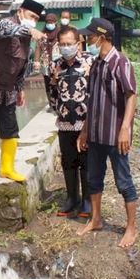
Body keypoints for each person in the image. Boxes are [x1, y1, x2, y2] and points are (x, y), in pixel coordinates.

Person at [75, 18, 139, 248]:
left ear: (101, 37)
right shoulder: (97, 64)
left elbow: (131, 95)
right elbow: (92, 100)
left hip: (115, 135)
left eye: (90, 36)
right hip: (96, 133)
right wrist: (84, 130)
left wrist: (124, 129)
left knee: (124, 181)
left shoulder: (120, 62)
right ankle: (96, 219)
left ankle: (131, 228)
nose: (87, 39)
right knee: (94, 178)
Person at [0, 0, 45, 185]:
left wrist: (20, 89)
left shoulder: (28, 39)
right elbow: (9, 30)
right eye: (31, 16)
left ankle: (7, 169)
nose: (33, 21)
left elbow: (22, 66)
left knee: (11, 131)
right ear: (20, 12)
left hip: (9, 90)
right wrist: (30, 30)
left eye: (36, 19)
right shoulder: (5, 24)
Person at [48, 26, 94, 218]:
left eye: (70, 44)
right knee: (68, 162)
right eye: (63, 44)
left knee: (86, 162)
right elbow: (51, 94)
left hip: (85, 123)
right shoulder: (55, 66)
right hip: (65, 122)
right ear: (58, 45)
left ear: (78, 44)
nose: (66, 47)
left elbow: (96, 93)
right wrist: (58, 109)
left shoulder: (90, 63)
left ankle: (87, 201)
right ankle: (71, 198)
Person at [33, 13, 60, 108]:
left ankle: (59, 103)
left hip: (58, 64)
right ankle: (51, 104)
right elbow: (38, 48)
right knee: (48, 85)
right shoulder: (42, 34)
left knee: (58, 83)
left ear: (55, 22)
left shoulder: (60, 33)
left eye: (51, 22)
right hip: (46, 64)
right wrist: (36, 62)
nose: (49, 24)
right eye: (48, 22)